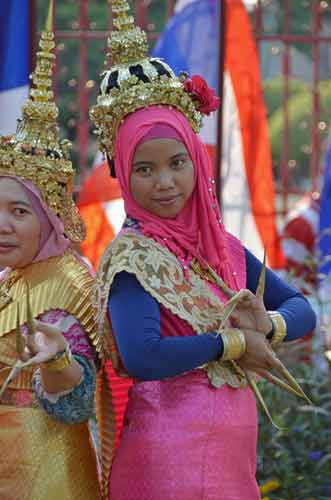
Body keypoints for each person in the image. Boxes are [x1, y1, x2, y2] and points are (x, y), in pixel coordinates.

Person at [91, 1, 317, 499]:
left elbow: (304, 311)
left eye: (177, 163)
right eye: (144, 170)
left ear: (198, 160)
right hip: (165, 460)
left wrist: (268, 325)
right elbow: (143, 355)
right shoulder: (133, 259)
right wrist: (233, 344)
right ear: (123, 176)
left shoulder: (225, 248)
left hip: (230, 457)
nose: (165, 182)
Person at [0, 6, 102, 500]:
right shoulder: (11, 277)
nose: (3, 224)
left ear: (51, 215)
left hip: (48, 474)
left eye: (19, 211)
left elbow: (78, 402)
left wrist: (58, 360)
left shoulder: (68, 279)